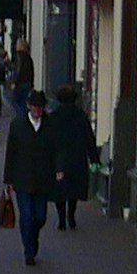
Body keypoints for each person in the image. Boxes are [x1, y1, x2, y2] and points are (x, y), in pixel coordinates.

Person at [0, 81, 62, 266]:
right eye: (35, 106)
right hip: (22, 179)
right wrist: (8, 180)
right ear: (28, 106)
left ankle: (33, 238)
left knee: (40, 217)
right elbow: (11, 152)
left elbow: (57, 149)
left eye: (40, 107)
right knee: (26, 216)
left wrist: (59, 168)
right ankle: (29, 251)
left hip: (43, 179)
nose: (37, 110)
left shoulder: (51, 125)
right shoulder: (18, 124)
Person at [48, 84, 99, 232]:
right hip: (77, 157)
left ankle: (61, 219)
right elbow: (89, 138)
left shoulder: (54, 116)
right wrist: (94, 157)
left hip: (59, 158)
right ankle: (71, 215)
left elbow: (49, 139)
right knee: (74, 189)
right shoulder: (81, 115)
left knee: (59, 189)